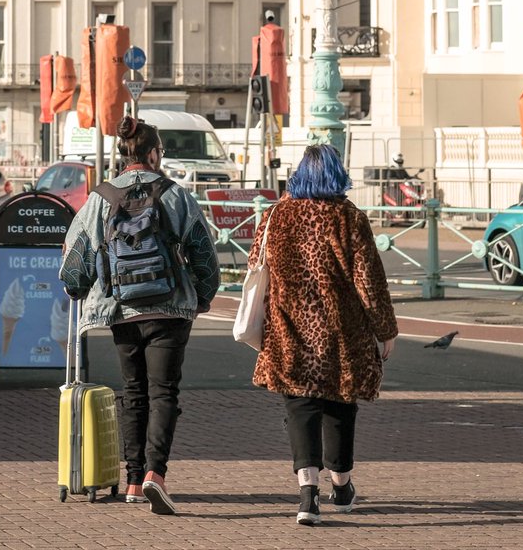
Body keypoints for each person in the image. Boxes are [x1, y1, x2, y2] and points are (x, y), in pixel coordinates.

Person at [59, 114, 220, 515]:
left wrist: (77, 288)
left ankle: (132, 480)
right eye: (161, 151)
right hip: (168, 308)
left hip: (121, 309)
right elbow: (202, 249)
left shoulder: (101, 197)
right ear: (151, 154)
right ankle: (155, 475)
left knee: (134, 393)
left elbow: (77, 256)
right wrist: (202, 296)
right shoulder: (174, 194)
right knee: (164, 392)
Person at [250, 142, 398, 526]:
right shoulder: (348, 218)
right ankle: (342, 486)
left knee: (299, 408)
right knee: (339, 407)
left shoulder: (275, 215)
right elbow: (369, 279)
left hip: (288, 329)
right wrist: (385, 329)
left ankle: (307, 496)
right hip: (340, 334)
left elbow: (256, 265)